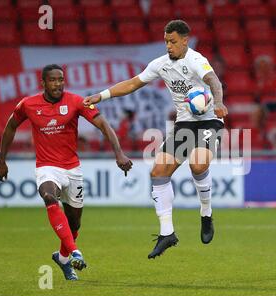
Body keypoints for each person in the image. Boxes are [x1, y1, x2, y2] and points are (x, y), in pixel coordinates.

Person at [84, 20, 228, 259]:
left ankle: (206, 213)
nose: (169, 46)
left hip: (209, 121)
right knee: (158, 171)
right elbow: (132, 83)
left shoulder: (196, 60)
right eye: (166, 42)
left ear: (185, 40)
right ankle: (167, 233)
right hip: (184, 124)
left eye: (173, 42)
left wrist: (219, 102)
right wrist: (101, 96)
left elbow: (213, 81)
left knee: (198, 164)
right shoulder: (160, 64)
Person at [0, 64, 133, 280]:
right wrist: (1, 160)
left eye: (61, 79)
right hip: (47, 167)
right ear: (43, 82)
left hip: (72, 169)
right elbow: (10, 127)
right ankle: (75, 252)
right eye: (53, 80)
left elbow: (103, 124)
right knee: (49, 196)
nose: (58, 84)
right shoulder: (28, 104)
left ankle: (61, 258)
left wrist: (119, 154)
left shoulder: (76, 101)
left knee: (74, 223)